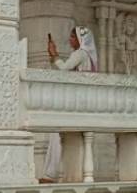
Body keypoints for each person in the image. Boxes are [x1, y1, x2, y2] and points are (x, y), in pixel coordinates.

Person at [41, 27, 98, 183]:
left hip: (76, 104)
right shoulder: (90, 56)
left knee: (56, 133)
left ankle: (50, 175)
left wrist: (54, 53)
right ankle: (61, 174)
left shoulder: (80, 54)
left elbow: (64, 69)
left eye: (73, 37)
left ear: (80, 39)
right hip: (85, 104)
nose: (70, 40)